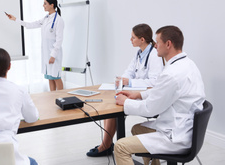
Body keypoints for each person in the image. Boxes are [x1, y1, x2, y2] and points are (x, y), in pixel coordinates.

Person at [114, 25, 205, 165]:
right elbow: (162, 90)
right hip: (186, 129)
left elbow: (150, 109)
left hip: (175, 136)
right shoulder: (188, 64)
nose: (155, 45)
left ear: (168, 44)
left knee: (120, 147)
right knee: (137, 129)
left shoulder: (172, 74)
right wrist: (138, 95)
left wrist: (125, 102)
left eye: (157, 42)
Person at [86, 23, 164, 157]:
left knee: (114, 108)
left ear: (142, 39)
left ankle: (106, 145)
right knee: (112, 105)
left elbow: (154, 82)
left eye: (133, 37)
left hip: (147, 95)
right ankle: (107, 144)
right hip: (136, 91)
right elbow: (130, 70)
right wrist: (123, 79)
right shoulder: (139, 52)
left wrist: (131, 82)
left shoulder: (154, 55)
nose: (130, 40)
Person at [7, 0, 64, 91]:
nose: (43, 5)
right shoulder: (45, 18)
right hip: (46, 53)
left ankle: (63, 97)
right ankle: (53, 98)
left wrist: (53, 55)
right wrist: (15, 19)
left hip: (54, 54)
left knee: (56, 77)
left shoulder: (59, 20)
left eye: (45, 3)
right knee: (50, 77)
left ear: (52, 5)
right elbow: (30, 25)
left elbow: (59, 40)